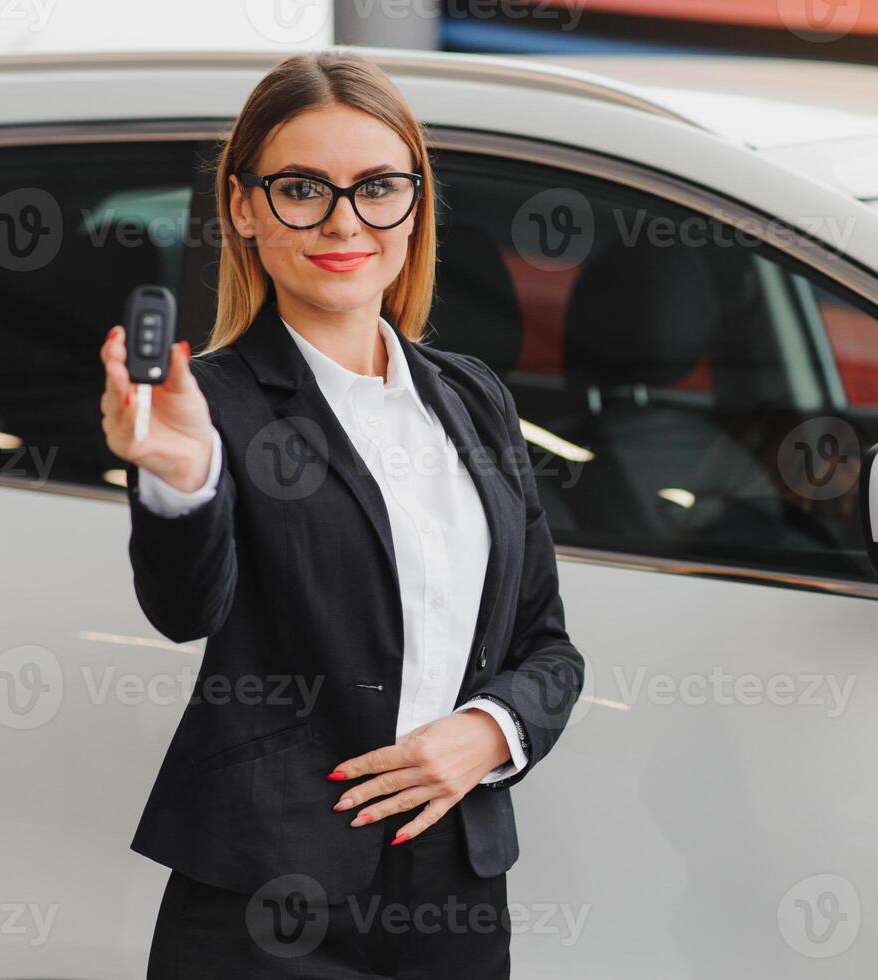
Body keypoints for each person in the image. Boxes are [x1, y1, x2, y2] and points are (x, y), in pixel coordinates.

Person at [98, 49, 585, 979]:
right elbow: (184, 608)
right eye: (301, 188)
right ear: (242, 207)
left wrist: (488, 732)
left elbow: (548, 650)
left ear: (414, 202)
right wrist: (180, 476)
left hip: (456, 888)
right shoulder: (208, 405)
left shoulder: (473, 398)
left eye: (375, 188)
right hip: (266, 898)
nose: (343, 220)